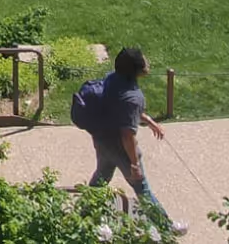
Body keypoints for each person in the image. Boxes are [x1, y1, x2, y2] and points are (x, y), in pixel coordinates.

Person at [78, 46, 187, 235]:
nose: (147, 61)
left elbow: (122, 108)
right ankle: (166, 226)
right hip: (121, 148)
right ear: (137, 69)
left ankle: (82, 215)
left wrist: (150, 121)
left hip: (102, 140)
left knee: (101, 176)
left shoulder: (112, 78)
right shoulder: (134, 98)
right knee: (141, 187)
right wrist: (134, 164)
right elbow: (127, 135)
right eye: (143, 60)